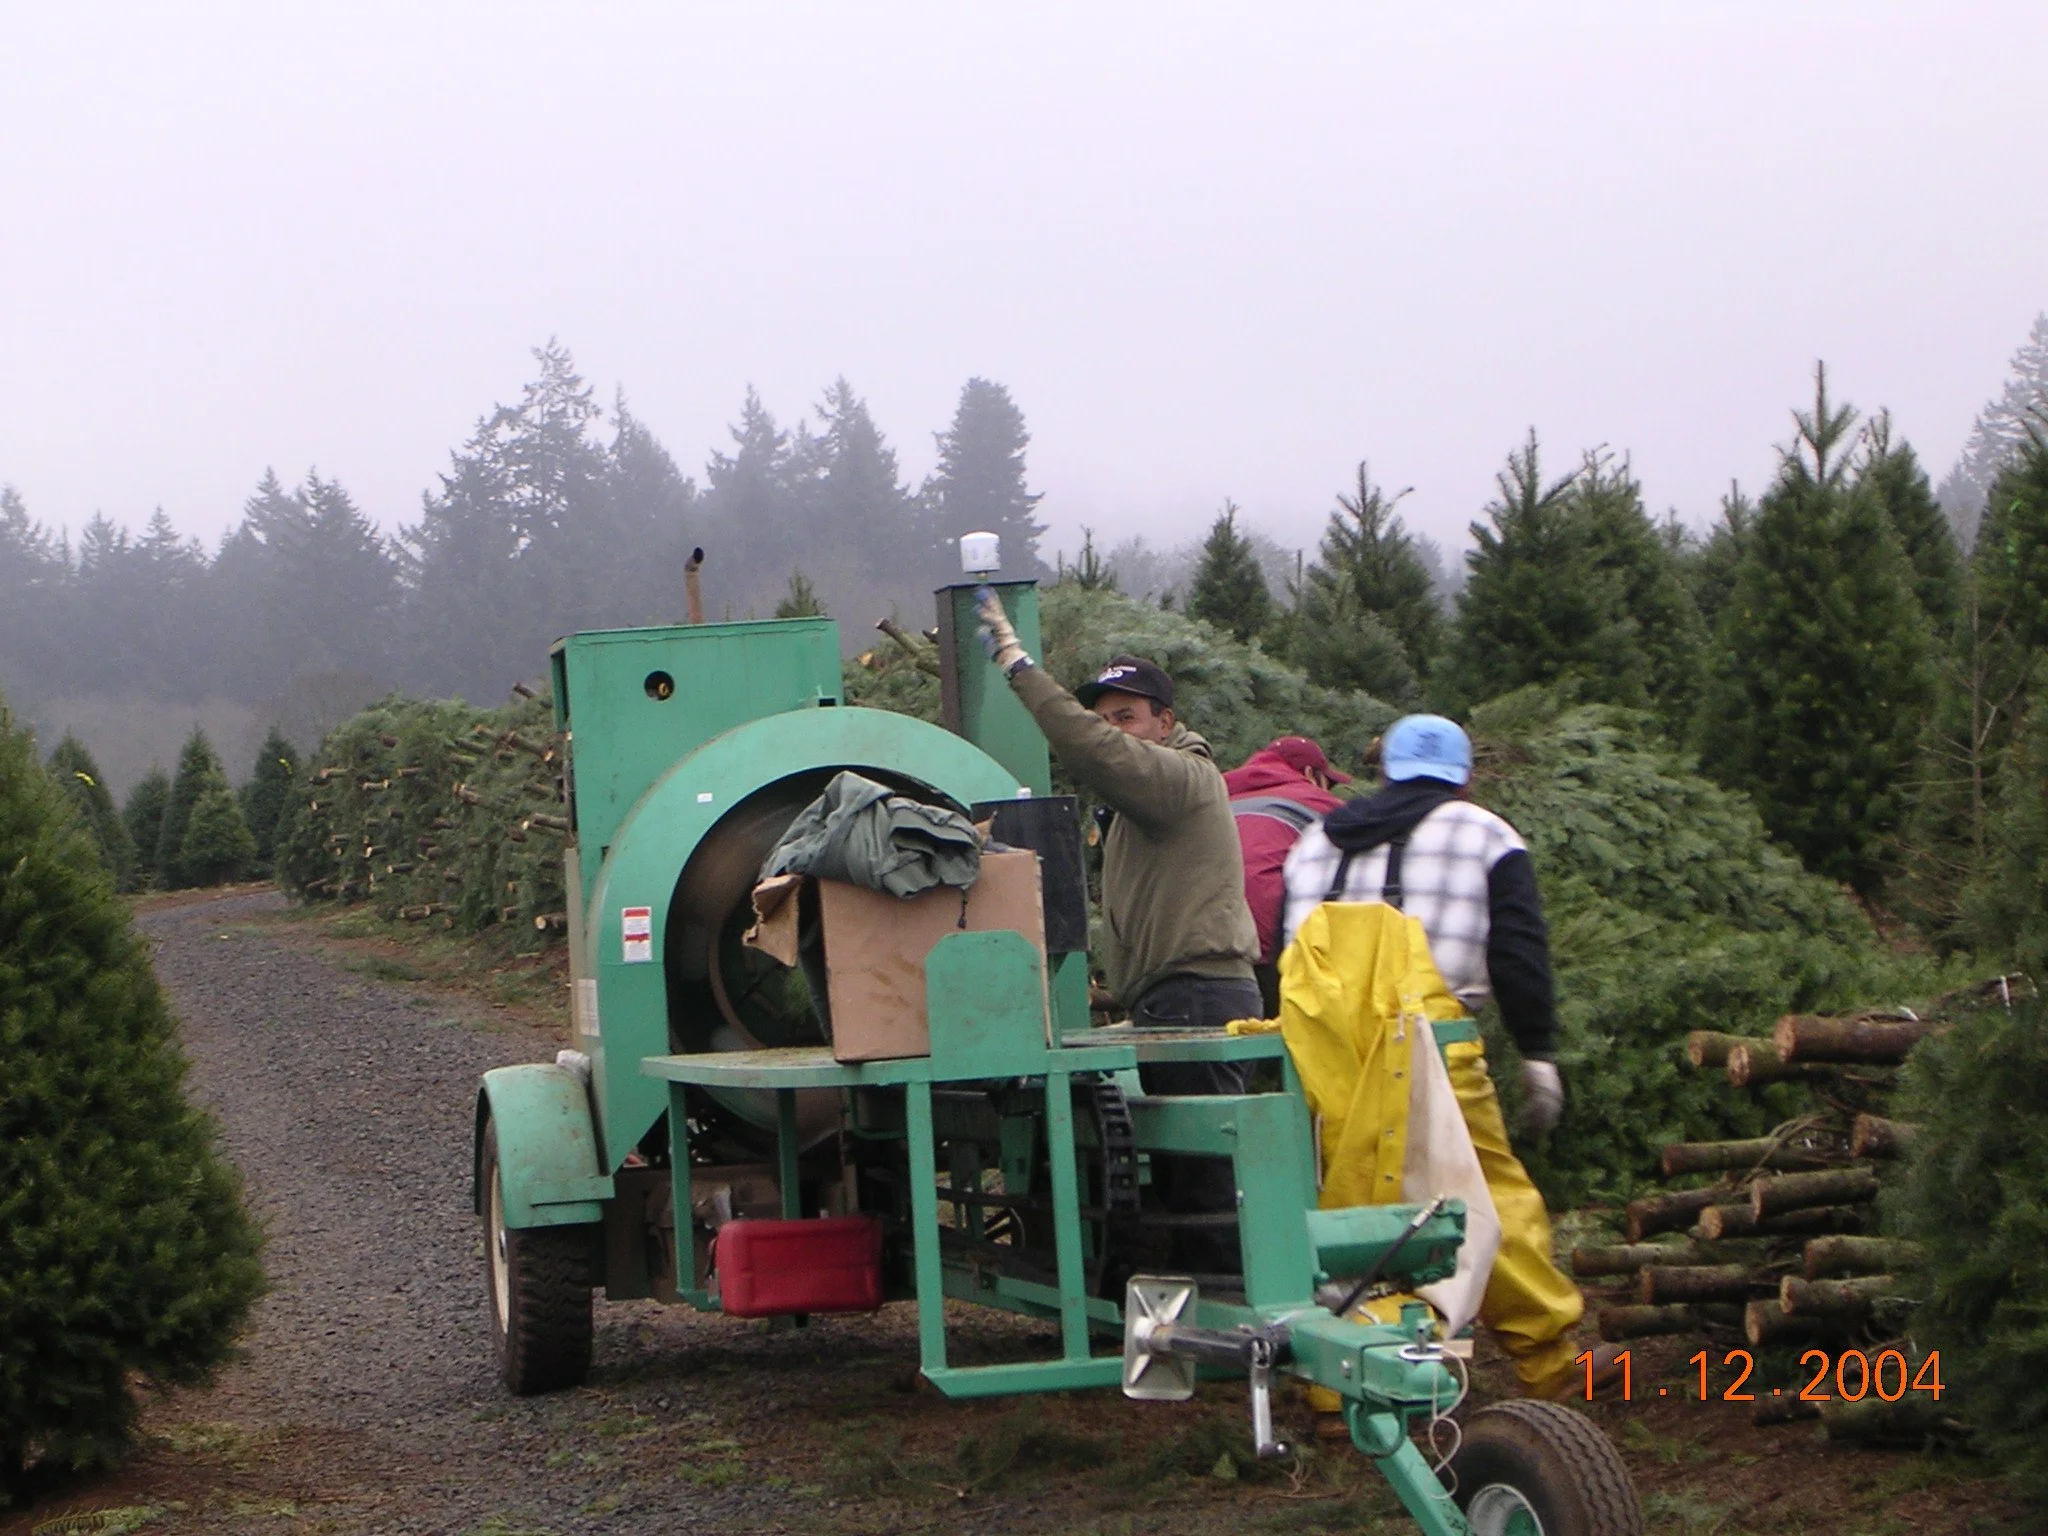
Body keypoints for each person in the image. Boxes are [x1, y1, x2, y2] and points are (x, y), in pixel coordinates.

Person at [1279, 712, 1601, 1399]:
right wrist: (1538, 1053)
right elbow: (1518, 955)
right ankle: (1550, 1361)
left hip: (1323, 1060)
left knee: (1347, 1211)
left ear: (1385, 770)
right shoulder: (1485, 833)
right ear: (1465, 777)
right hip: (1429, 1048)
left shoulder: (1312, 842)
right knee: (1484, 1199)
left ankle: (1338, 1389)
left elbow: (1280, 958)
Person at [974, 592, 1260, 1269]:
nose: (1114, 730)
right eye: (1105, 718)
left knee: (1206, 1182)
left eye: (1127, 717)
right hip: (1170, 1001)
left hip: (1200, 1003)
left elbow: (1091, 749)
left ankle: (1242, 1324)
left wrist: (1019, 668)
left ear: (1166, 721)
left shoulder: (1184, 779)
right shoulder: (1138, 811)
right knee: (1185, 1174)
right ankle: (1202, 1322)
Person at [1224, 736, 1348, 1016]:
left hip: (1213, 942)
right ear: (1309, 775)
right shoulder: (1320, 802)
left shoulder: (1217, 795)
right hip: (1274, 945)